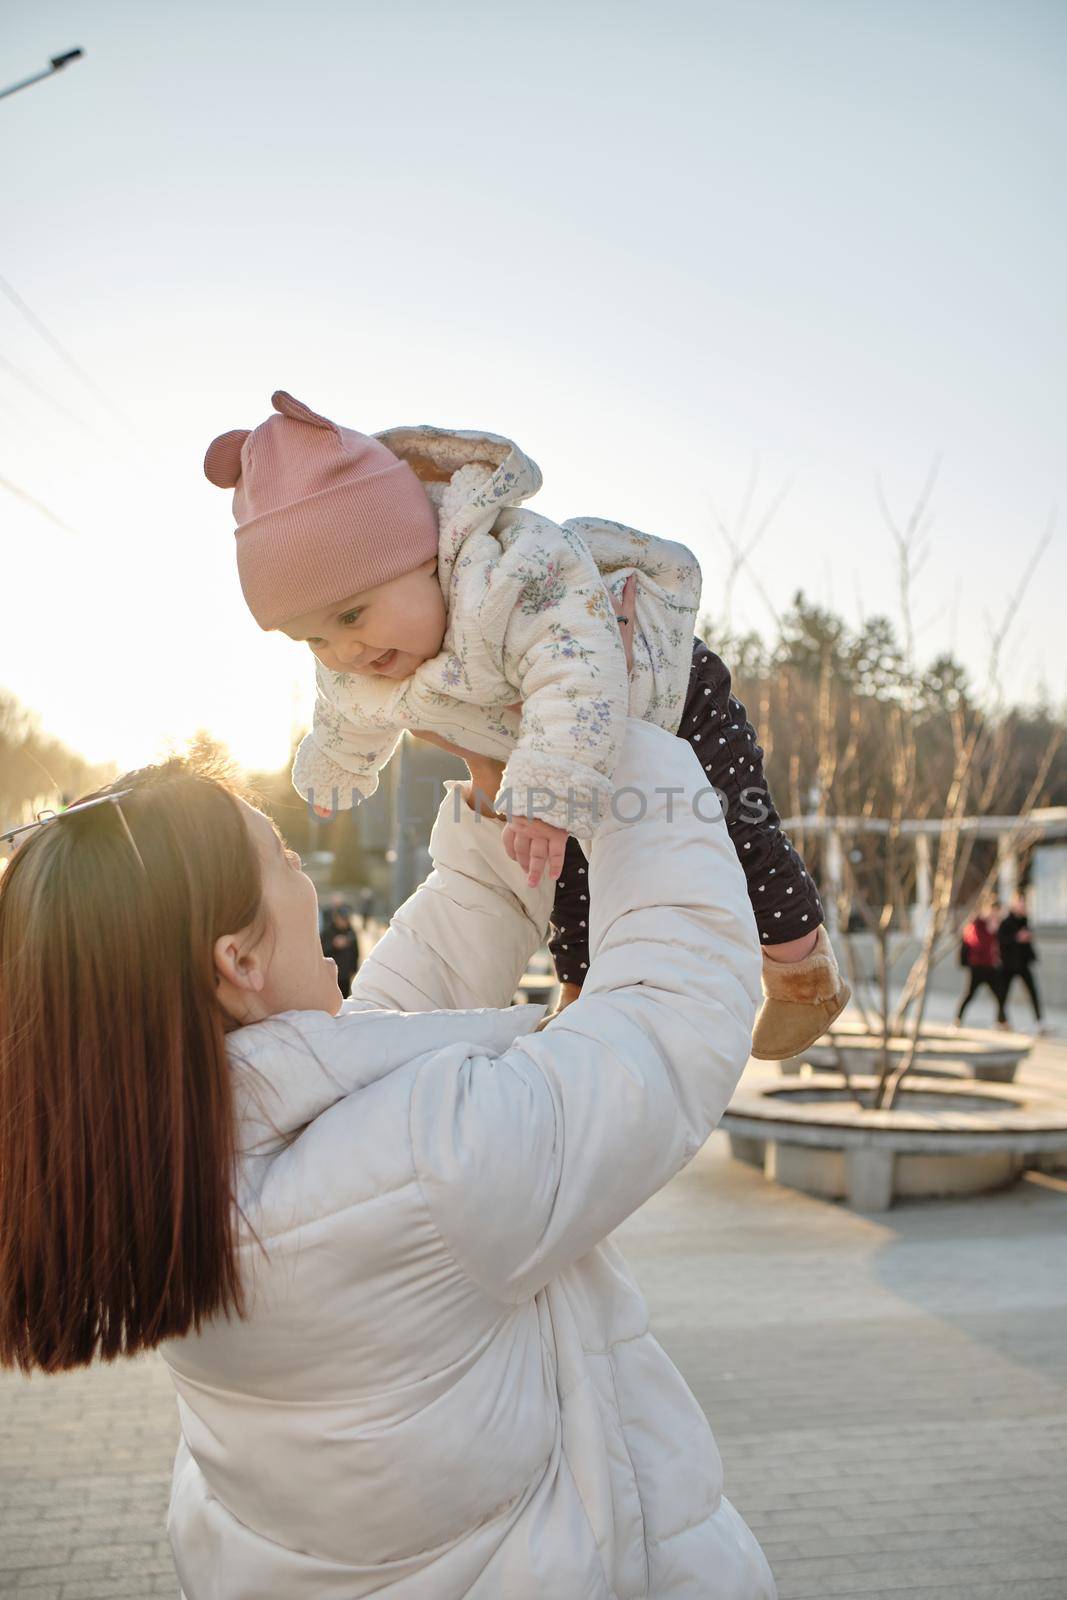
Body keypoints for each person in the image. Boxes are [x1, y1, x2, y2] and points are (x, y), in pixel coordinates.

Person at [0, 719, 776, 1598]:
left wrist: (496, 810)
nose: (305, 882)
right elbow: (674, 1013)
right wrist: (622, 736)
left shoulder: (175, 1168)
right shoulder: (423, 1168)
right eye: (286, 861)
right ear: (239, 959)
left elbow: (409, 999)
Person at [203, 389, 849, 1059]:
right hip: (539, 741)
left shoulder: (515, 575)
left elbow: (575, 675)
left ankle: (801, 971)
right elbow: (344, 707)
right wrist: (339, 762)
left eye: (351, 617)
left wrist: (543, 788)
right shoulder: (359, 660)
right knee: (556, 864)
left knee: (736, 828)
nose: (343, 653)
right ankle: (581, 994)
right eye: (309, 639)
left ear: (421, 558)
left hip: (665, 695)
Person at [956, 896, 1008, 1026]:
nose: (994, 914)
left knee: (1000, 994)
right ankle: (958, 1019)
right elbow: (978, 943)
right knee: (969, 995)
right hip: (977, 966)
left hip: (990, 966)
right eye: (993, 911)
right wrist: (991, 931)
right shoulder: (976, 923)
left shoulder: (996, 925)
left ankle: (1002, 1020)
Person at [998, 891, 1044, 1031]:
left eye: (1024, 903)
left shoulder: (1025, 920)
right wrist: (1017, 937)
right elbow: (1001, 941)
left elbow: (1027, 943)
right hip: (1008, 965)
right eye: (1020, 902)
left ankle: (1039, 1021)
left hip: (1023, 963)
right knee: (1002, 993)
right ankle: (1000, 1020)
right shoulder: (1006, 921)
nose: (1022, 906)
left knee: (1033, 992)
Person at [320, 903, 360, 997]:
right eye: (342, 918)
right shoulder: (327, 932)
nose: (345, 921)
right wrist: (334, 945)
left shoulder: (351, 932)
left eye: (346, 919)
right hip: (330, 976)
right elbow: (320, 951)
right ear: (336, 918)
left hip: (345, 976)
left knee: (344, 1000)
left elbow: (355, 952)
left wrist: (354, 969)